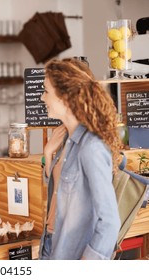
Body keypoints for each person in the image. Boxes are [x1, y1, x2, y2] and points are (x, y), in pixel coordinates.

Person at [39, 57, 121, 260]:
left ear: (65, 97)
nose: (42, 98)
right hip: (51, 246)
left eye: (46, 91)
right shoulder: (65, 139)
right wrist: (48, 155)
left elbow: (109, 221)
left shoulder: (91, 147)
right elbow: (61, 192)